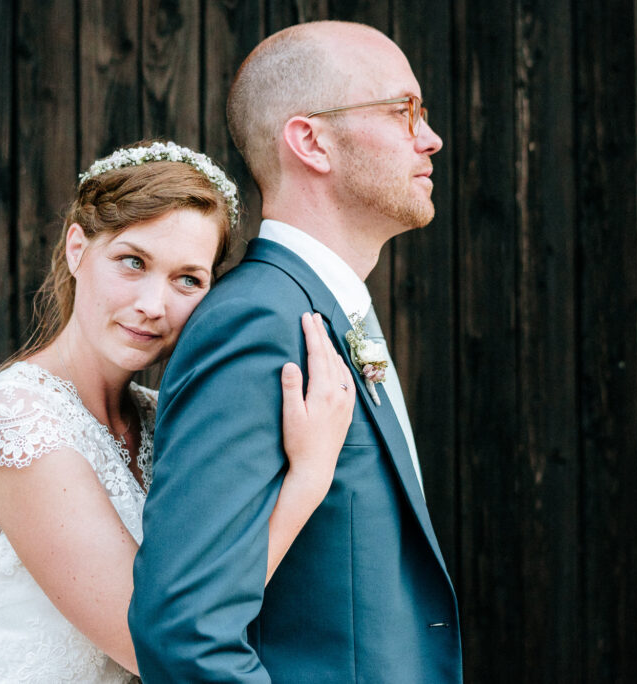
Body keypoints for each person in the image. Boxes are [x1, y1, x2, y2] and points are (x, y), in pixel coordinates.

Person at [0, 141, 356, 683]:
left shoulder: (160, 418)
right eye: (133, 262)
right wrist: (308, 479)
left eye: (188, 280)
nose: (155, 305)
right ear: (77, 248)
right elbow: (156, 643)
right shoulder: (14, 417)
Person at [129, 22, 463, 682]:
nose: (430, 137)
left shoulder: (328, 312)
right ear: (311, 141)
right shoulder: (258, 322)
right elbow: (186, 630)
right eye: (404, 111)